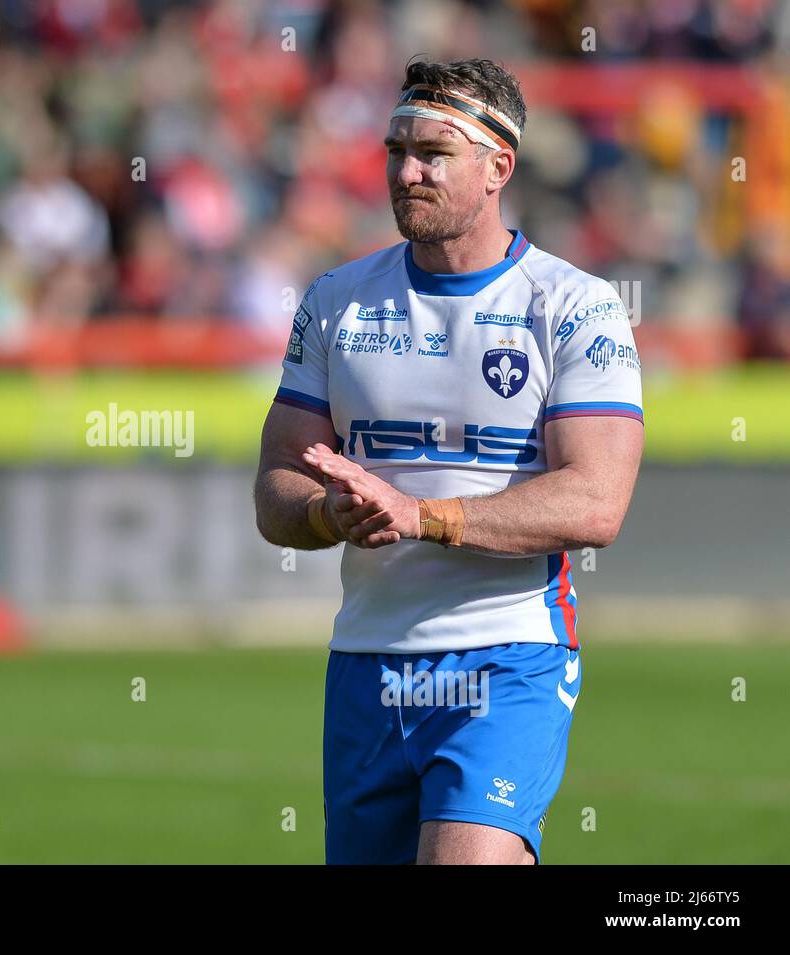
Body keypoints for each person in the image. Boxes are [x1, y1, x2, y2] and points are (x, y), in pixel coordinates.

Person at [253, 58, 643, 864]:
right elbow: (277, 484)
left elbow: (595, 503)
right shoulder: (335, 301)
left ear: (498, 165)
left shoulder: (575, 306)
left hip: (509, 658)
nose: (406, 172)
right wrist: (329, 513)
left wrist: (423, 515)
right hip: (366, 666)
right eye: (397, 150)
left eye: (434, 153)